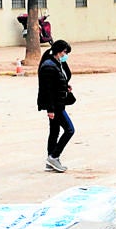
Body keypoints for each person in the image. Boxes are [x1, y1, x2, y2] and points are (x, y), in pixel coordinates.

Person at [36, 39, 74, 172]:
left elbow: (57, 82)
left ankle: (51, 161)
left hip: (58, 103)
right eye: (64, 52)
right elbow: (47, 90)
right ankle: (54, 156)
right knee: (69, 130)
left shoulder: (56, 63)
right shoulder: (48, 66)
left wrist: (65, 86)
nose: (65, 55)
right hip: (56, 106)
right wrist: (50, 109)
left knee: (54, 132)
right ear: (58, 51)